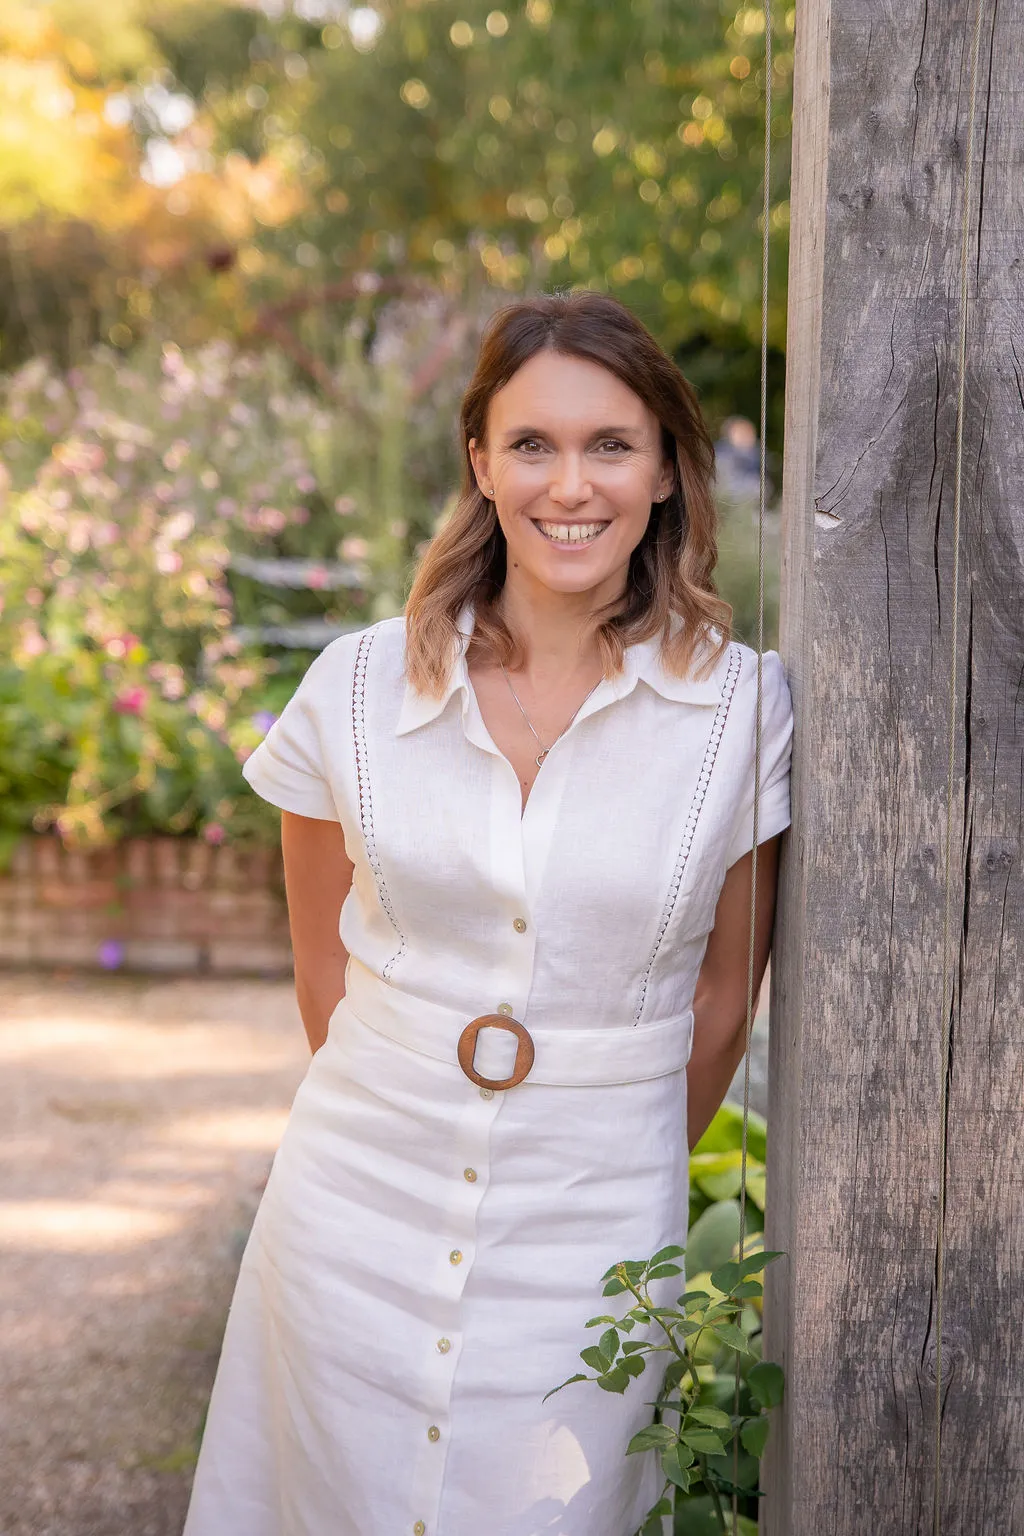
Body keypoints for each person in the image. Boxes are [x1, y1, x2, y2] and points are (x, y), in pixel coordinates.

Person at [182, 291, 793, 1536]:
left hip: (595, 1217)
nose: (570, 486)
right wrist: (403, 1109)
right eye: (532, 445)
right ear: (480, 462)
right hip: (352, 1200)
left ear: (669, 469)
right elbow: (320, 969)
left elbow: (724, 999)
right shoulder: (356, 687)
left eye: (610, 445)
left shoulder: (741, 711)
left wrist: (606, 1149)